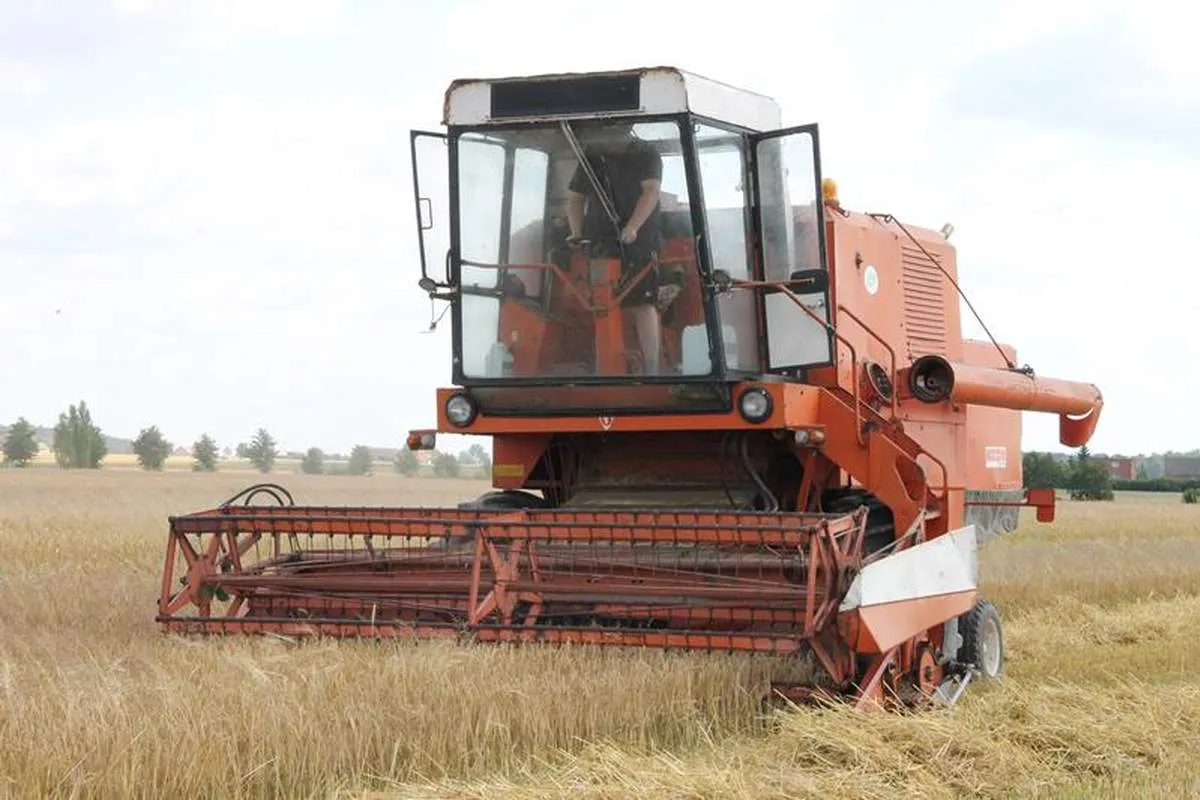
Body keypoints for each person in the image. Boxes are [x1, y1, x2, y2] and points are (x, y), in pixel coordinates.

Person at [565, 122, 682, 375]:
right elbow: (575, 198)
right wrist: (576, 232)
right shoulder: (593, 157)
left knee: (643, 300)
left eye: (610, 135)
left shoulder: (646, 154)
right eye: (602, 134)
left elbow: (650, 192)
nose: (606, 140)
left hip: (640, 238)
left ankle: (651, 369)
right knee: (600, 300)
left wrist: (633, 227)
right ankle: (603, 366)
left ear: (624, 132)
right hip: (600, 238)